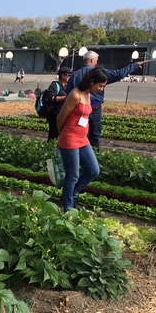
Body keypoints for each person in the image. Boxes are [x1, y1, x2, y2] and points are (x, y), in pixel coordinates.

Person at [66, 51, 149, 149]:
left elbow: (68, 95)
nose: (96, 63)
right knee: (95, 135)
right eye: (96, 60)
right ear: (92, 60)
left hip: (79, 108)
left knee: (82, 134)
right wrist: (135, 65)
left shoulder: (75, 75)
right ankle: (95, 156)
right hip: (95, 107)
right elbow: (118, 74)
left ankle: (82, 155)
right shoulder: (99, 73)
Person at [57, 67, 108, 212]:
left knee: (93, 170)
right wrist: (63, 137)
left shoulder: (88, 95)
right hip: (70, 139)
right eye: (100, 85)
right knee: (72, 176)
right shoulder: (75, 95)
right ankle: (67, 208)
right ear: (92, 81)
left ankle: (72, 194)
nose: (101, 89)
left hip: (83, 139)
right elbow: (60, 118)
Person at [44, 66, 72, 141]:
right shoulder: (54, 85)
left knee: (62, 134)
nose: (70, 77)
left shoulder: (67, 86)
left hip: (63, 113)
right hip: (54, 115)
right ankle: (50, 149)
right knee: (53, 135)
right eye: (68, 75)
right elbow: (50, 98)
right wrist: (65, 98)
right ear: (63, 76)